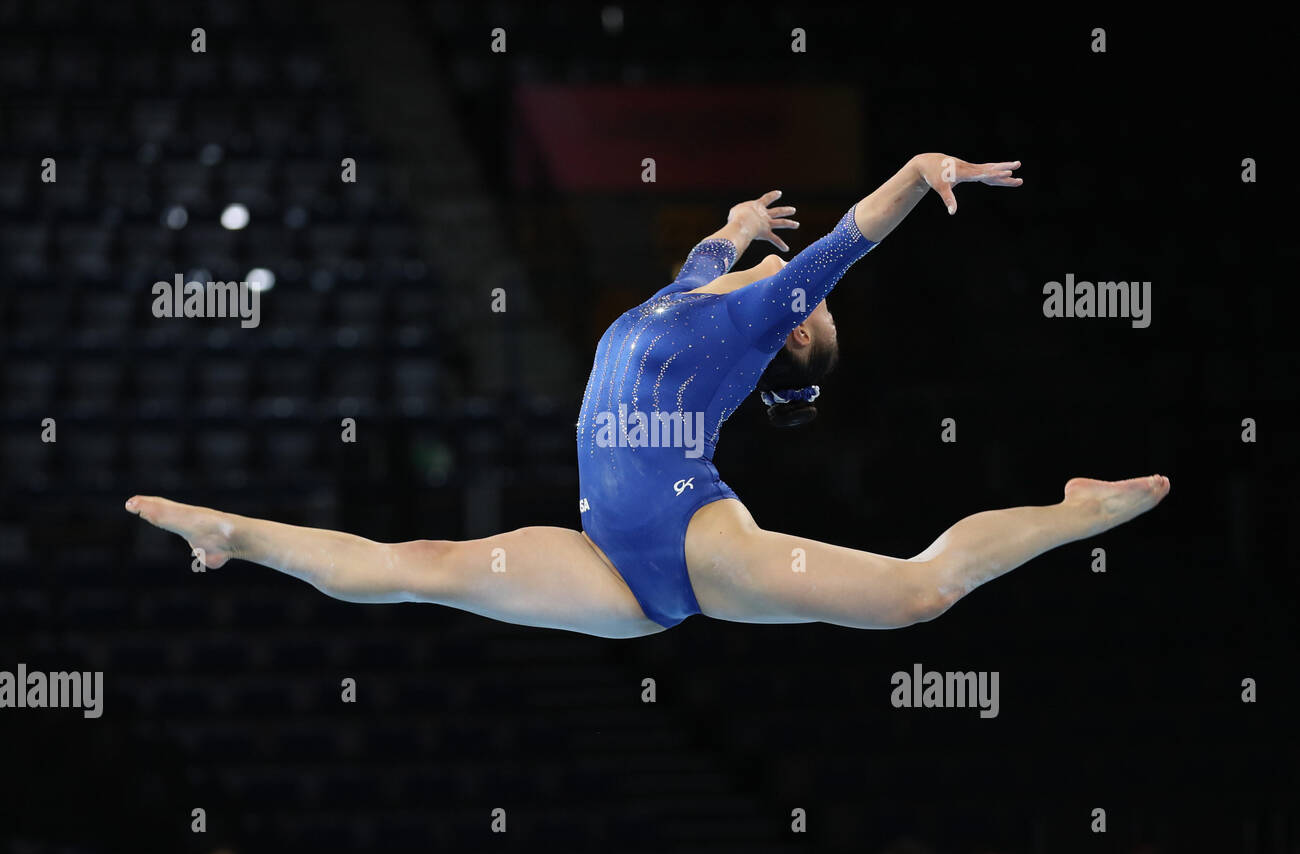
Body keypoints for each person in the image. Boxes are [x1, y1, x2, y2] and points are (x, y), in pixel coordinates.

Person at [127, 152, 1169, 639]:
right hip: (607, 570)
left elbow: (854, 234)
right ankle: (235, 533)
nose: (787, 268)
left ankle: (1070, 512)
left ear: (797, 326)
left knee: (913, 594)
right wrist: (731, 221)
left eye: (804, 294)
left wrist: (917, 170)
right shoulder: (690, 291)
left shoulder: (769, 315)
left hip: (688, 536)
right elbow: (708, 253)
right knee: (418, 569)